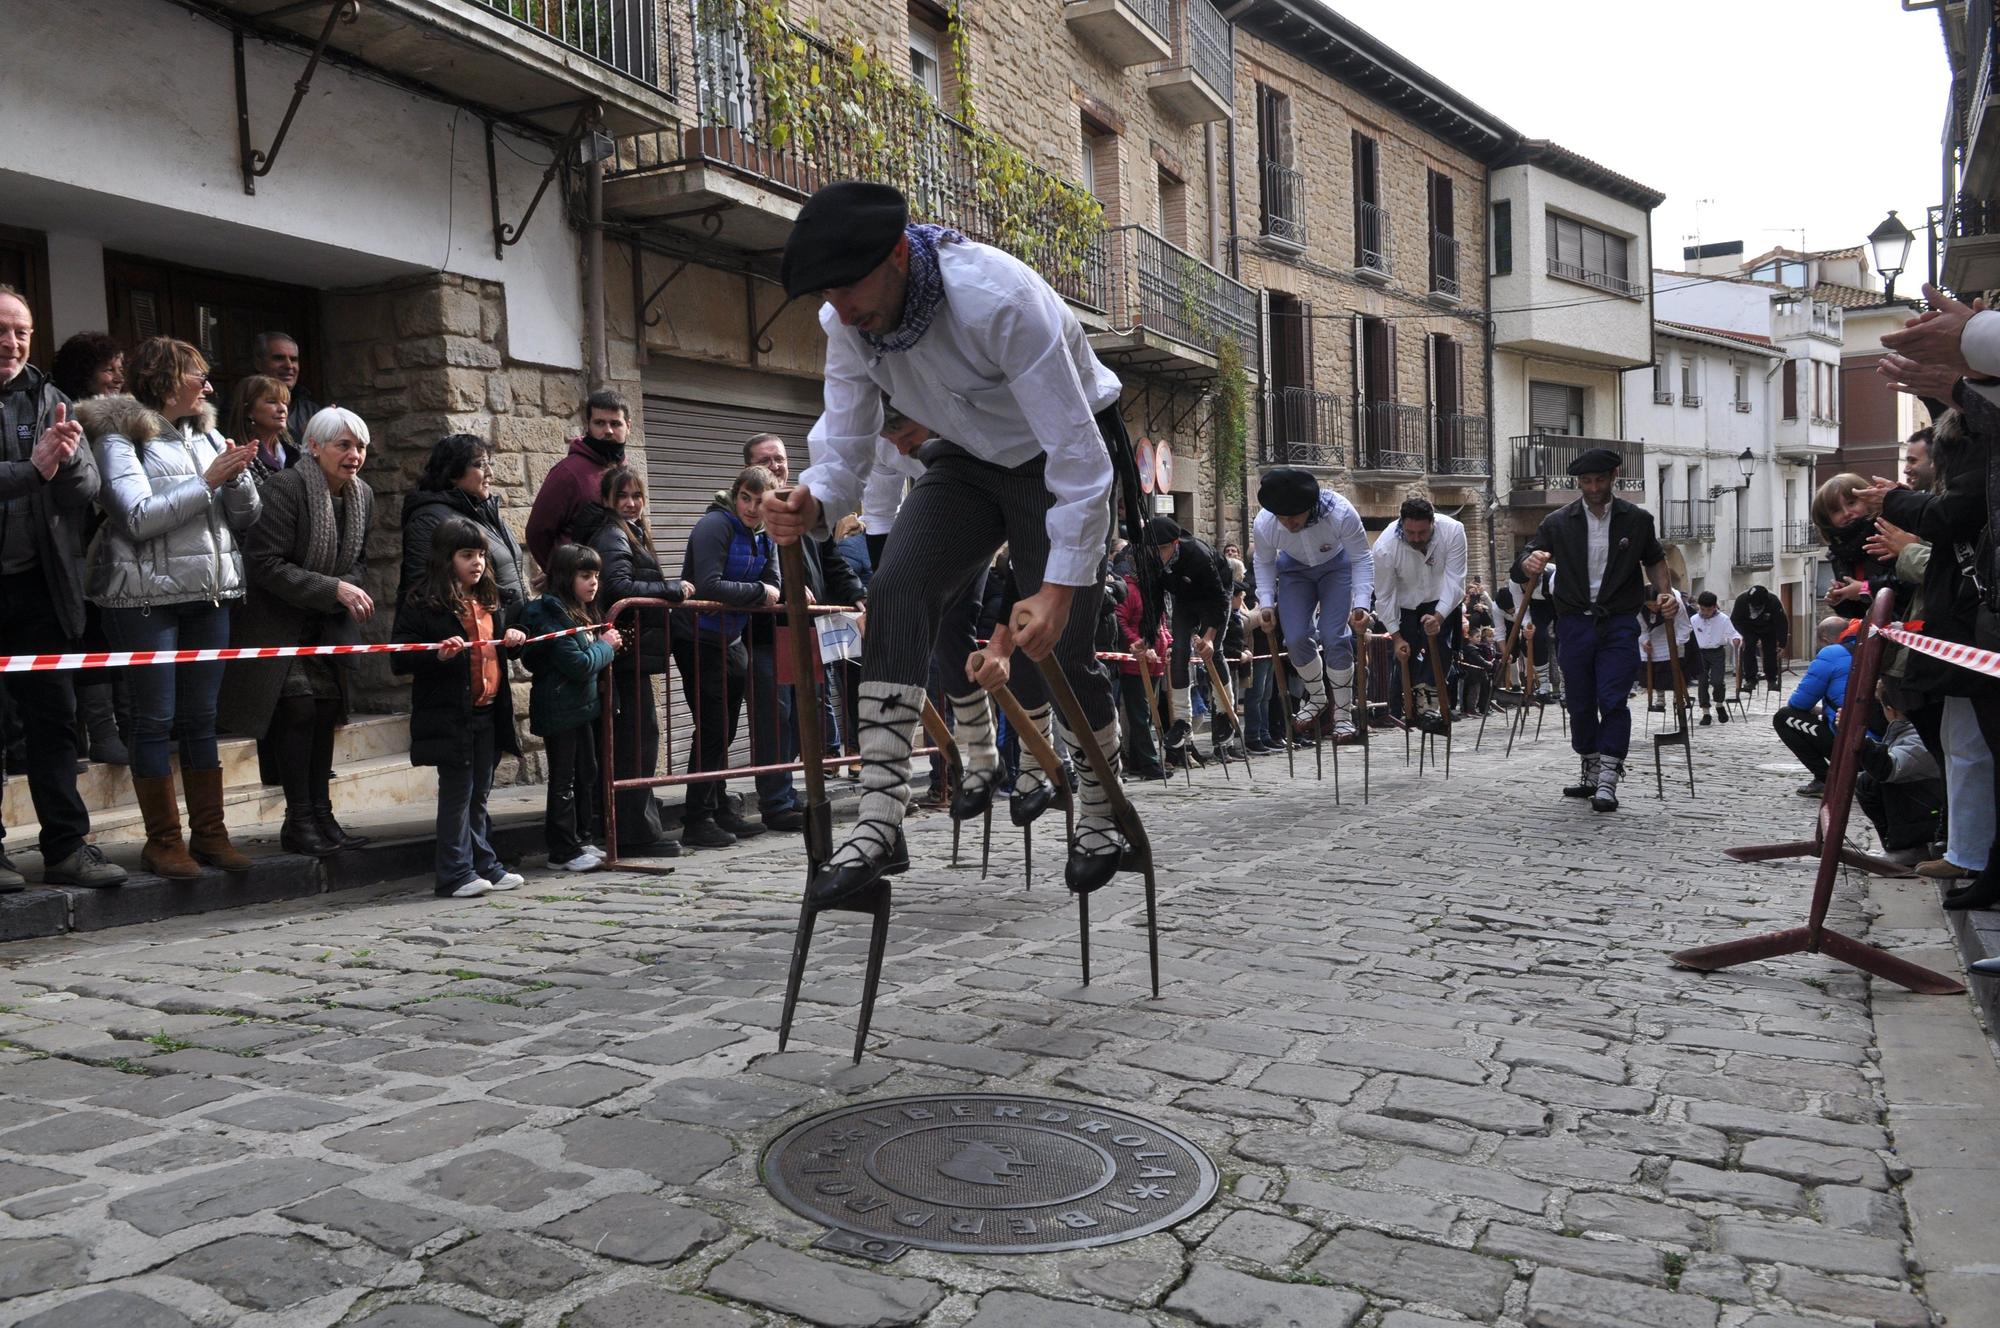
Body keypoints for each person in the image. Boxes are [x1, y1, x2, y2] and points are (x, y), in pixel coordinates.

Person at [762, 181, 1152, 905]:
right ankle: (880, 820)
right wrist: (813, 496)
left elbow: (1079, 458)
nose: (839, 310)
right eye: (827, 294)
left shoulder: (999, 300)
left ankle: (1102, 808)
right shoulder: (846, 321)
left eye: (847, 288)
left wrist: (1056, 590)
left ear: (897, 256)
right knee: (895, 589)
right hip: (967, 459)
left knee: (1062, 647)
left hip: (1054, 454)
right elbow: (845, 443)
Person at [80, 336, 261, 879]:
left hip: (209, 594)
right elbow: (136, 517)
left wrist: (239, 478)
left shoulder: (206, 434)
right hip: (145, 598)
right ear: (163, 378)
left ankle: (210, 835)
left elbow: (244, 518)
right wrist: (209, 481)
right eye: (196, 374)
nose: (207, 384)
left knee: (202, 719)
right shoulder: (119, 436)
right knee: (154, 719)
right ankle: (162, 842)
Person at [0, 287, 124, 889]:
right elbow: (30, 474)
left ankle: (67, 848)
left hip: (40, 587)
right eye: (1, 330)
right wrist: (34, 469)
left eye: (21, 331)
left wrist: (68, 460)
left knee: (55, 719)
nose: (12, 342)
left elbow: (84, 489)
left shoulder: (51, 398)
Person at [216, 407, 375, 859]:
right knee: (298, 710)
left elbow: (359, 561)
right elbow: (264, 562)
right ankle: (298, 820)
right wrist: (332, 588)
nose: (354, 455)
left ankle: (323, 816)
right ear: (315, 447)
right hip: (277, 621)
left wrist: (345, 588)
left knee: (326, 712)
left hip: (324, 623)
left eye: (361, 447)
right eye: (344, 445)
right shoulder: (286, 487)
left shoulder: (363, 495)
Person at [1513, 446, 1674, 812]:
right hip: (1574, 623)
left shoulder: (1636, 520)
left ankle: (1609, 777)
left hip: (1618, 621)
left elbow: (1654, 559)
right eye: (1586, 481)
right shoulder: (1558, 521)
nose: (1593, 487)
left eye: (1600, 480)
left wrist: (1665, 594)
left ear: (1614, 476)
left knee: (1613, 697)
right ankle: (1590, 764)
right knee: (1579, 700)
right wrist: (1529, 561)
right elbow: (1525, 557)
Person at [392, 517, 527, 899]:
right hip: (450, 715)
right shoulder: (422, 602)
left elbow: (504, 647)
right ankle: (453, 872)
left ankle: (484, 864)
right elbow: (399, 657)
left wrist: (516, 638)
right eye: (467, 555)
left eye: (481, 554)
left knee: (479, 793)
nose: (477, 562)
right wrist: (436, 655)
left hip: (488, 712)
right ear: (446, 558)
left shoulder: (492, 599)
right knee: (457, 795)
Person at [741, 432, 867, 831]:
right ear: (749, 467)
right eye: (765, 460)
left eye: (779, 458)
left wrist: (858, 595)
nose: (775, 466)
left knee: (805, 717)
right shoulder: (747, 511)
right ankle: (776, 801)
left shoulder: (804, 509)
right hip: (769, 632)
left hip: (810, 631)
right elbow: (743, 566)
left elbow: (832, 561)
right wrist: (783, 591)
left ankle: (792, 793)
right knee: (775, 719)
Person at [582, 464, 692, 856]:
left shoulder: (631, 532)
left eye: (636, 496)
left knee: (639, 738)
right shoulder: (613, 534)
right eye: (623, 496)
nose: (631, 503)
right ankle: (634, 833)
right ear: (608, 500)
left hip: (632, 655)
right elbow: (617, 587)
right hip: (624, 655)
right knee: (636, 741)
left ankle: (633, 827)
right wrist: (670, 589)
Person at [675, 465, 778, 848]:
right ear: (735, 496)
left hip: (732, 639)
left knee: (726, 730)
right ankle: (697, 819)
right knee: (712, 728)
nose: (751, 507)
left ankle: (718, 808)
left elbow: (776, 582)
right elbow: (709, 585)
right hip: (697, 637)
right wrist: (758, 592)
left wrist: (765, 590)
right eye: (745, 498)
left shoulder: (765, 534)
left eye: (759, 501)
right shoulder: (715, 525)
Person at [49, 332, 130, 768]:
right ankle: (94, 733)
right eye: (107, 369)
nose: (117, 378)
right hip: (68, 544)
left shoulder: (126, 420)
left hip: (111, 548)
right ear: (83, 373)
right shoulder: (59, 413)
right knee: (77, 637)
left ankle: (109, 730)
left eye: (120, 369)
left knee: (105, 635)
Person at [1247, 467, 1373, 739]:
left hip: (1336, 568)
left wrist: (1362, 604)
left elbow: (1362, 557)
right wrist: (1266, 602)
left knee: (1334, 636)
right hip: (1294, 572)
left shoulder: (1340, 512)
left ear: (1310, 507)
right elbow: (1264, 562)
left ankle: (1343, 714)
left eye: (1294, 516)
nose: (1289, 524)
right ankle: (1316, 697)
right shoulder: (1265, 523)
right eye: (1282, 518)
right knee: (1294, 638)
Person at [522, 542, 620, 872]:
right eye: (585, 576)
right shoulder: (550, 614)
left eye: (596, 576)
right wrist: (606, 647)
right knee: (564, 779)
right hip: (559, 708)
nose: (593, 583)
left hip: (582, 708)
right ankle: (562, 849)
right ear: (566, 577)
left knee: (586, 771)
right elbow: (577, 664)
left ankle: (582, 838)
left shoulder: (580, 609)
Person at [400, 434, 529, 613]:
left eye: (490, 464)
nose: (490, 473)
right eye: (481, 465)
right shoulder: (430, 519)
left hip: (510, 627)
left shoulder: (484, 512)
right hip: (471, 627)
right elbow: (424, 589)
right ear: (453, 473)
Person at [1372, 496, 1468, 730]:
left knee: (1440, 649)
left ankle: (1428, 708)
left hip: (1441, 597)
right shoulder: (1385, 547)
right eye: (1410, 533)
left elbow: (1456, 580)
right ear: (1401, 524)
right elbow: (1384, 596)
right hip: (1405, 603)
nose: (1416, 538)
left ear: (1433, 522)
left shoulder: (1453, 531)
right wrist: (1396, 637)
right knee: (1409, 654)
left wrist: (1439, 616)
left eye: (1422, 533)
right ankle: (1411, 707)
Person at [1146, 516, 1230, 759]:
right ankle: (1182, 720)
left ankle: (1224, 712)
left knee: (1213, 652)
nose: (1158, 554)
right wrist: (1147, 637)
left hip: (1215, 594)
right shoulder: (1150, 561)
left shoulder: (1198, 554)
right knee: (1180, 651)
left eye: (1163, 548)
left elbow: (1219, 599)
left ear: (1175, 543)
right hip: (1185, 598)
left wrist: (1210, 636)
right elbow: (1154, 602)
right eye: (1153, 549)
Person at [526, 389, 631, 571]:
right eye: (599, 423)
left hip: (620, 579)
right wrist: (561, 574)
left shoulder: (625, 471)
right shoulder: (567, 472)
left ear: (628, 426)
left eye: (615, 423)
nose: (608, 430)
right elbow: (537, 533)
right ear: (587, 425)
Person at [1856, 684, 1945, 865]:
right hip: (1934, 801)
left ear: (1891, 710)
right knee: (1869, 782)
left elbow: (1887, 769)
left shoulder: (1919, 735)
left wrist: (1860, 739)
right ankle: (1901, 845)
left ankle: (1911, 847)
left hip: (1934, 806)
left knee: (1871, 783)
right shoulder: (1915, 728)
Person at [1773, 616, 1855, 797]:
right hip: (1879, 737)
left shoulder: (1831, 653)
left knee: (1784, 717)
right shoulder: (1867, 647)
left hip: (1848, 739)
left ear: (1824, 639)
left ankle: (1825, 780)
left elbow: (1799, 703)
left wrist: (1816, 710)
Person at [1113, 559, 1172, 780]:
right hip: (1135, 663)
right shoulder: (1129, 590)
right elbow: (1120, 621)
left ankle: (1139, 762)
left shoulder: (1154, 592)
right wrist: (1136, 643)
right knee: (1140, 715)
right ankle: (1150, 763)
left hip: (1155, 662)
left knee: (1146, 714)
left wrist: (1169, 644)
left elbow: (1161, 625)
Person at [1815, 472, 1902, 620]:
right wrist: (1840, 600)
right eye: (1836, 510)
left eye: (1851, 503)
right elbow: (1858, 612)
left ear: (1868, 500)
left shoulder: (1888, 533)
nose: (1846, 513)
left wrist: (1865, 588)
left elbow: (1910, 583)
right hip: (1877, 628)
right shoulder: (1839, 553)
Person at [227, 374, 298, 482]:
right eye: (272, 402)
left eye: (284, 402)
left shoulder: (296, 450)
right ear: (249, 411)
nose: (282, 409)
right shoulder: (241, 457)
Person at [1687, 591, 1743, 725]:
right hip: (1700, 653)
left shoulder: (1723, 619)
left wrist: (1736, 639)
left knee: (1717, 681)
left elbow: (1733, 633)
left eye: (1709, 610)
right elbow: (1688, 636)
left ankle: (1719, 704)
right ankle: (1705, 712)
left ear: (1714, 607)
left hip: (1717, 652)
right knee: (1702, 682)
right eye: (1702, 609)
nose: (1705, 613)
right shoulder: (1694, 620)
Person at [1638, 589, 1694, 713]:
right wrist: (1644, 641)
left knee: (1675, 669)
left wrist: (1676, 643)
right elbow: (1641, 628)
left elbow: (1684, 626)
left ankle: (1678, 695)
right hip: (1653, 636)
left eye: (1655, 604)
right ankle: (1660, 698)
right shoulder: (1640, 608)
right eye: (1649, 605)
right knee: (1657, 668)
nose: (1653, 608)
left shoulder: (1674, 602)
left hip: (1674, 632)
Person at [252, 331, 320, 430]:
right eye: (279, 358)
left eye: (293, 359)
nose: (289, 366)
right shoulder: (238, 408)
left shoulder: (311, 411)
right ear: (258, 364)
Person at [1730, 585, 1788, 693]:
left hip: (1768, 628)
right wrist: (1741, 635)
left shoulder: (1773, 601)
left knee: (1770, 651)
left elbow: (1781, 623)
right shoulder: (1742, 600)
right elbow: (1735, 620)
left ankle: (1771, 679)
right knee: (1748, 648)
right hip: (1748, 628)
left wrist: (1782, 644)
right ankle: (1751, 679)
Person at [51, 333, 124, 405]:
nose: (120, 379)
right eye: (109, 370)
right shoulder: (57, 409)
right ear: (82, 374)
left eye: (121, 370)